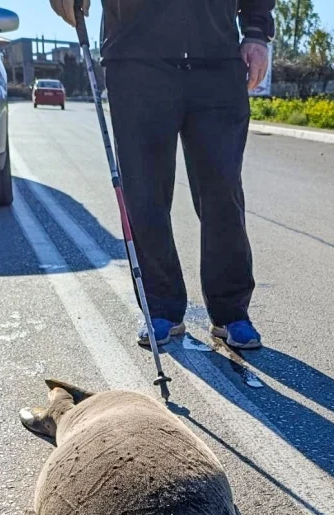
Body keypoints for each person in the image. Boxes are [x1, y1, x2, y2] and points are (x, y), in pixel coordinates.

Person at [49, 0, 273, 350]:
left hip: (217, 58)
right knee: (144, 193)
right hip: (135, 59)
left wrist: (257, 32)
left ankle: (231, 311)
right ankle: (160, 308)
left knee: (223, 191)